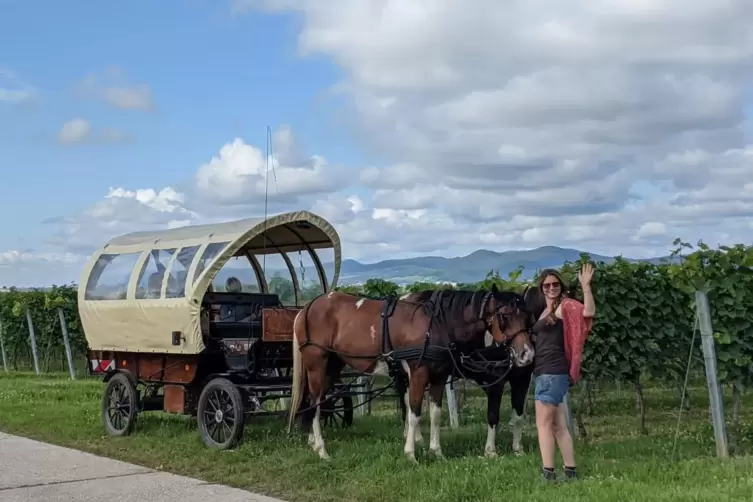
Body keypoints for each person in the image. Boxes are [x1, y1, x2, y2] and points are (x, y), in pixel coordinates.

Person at [531, 263, 595, 482]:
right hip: (546, 372)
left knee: (543, 424)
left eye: (555, 284)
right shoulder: (544, 311)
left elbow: (588, 312)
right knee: (558, 425)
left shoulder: (565, 305)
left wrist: (586, 287)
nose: (551, 288)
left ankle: (548, 473)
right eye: (547, 285)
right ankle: (571, 471)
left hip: (551, 371)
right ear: (541, 288)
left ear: (561, 285)